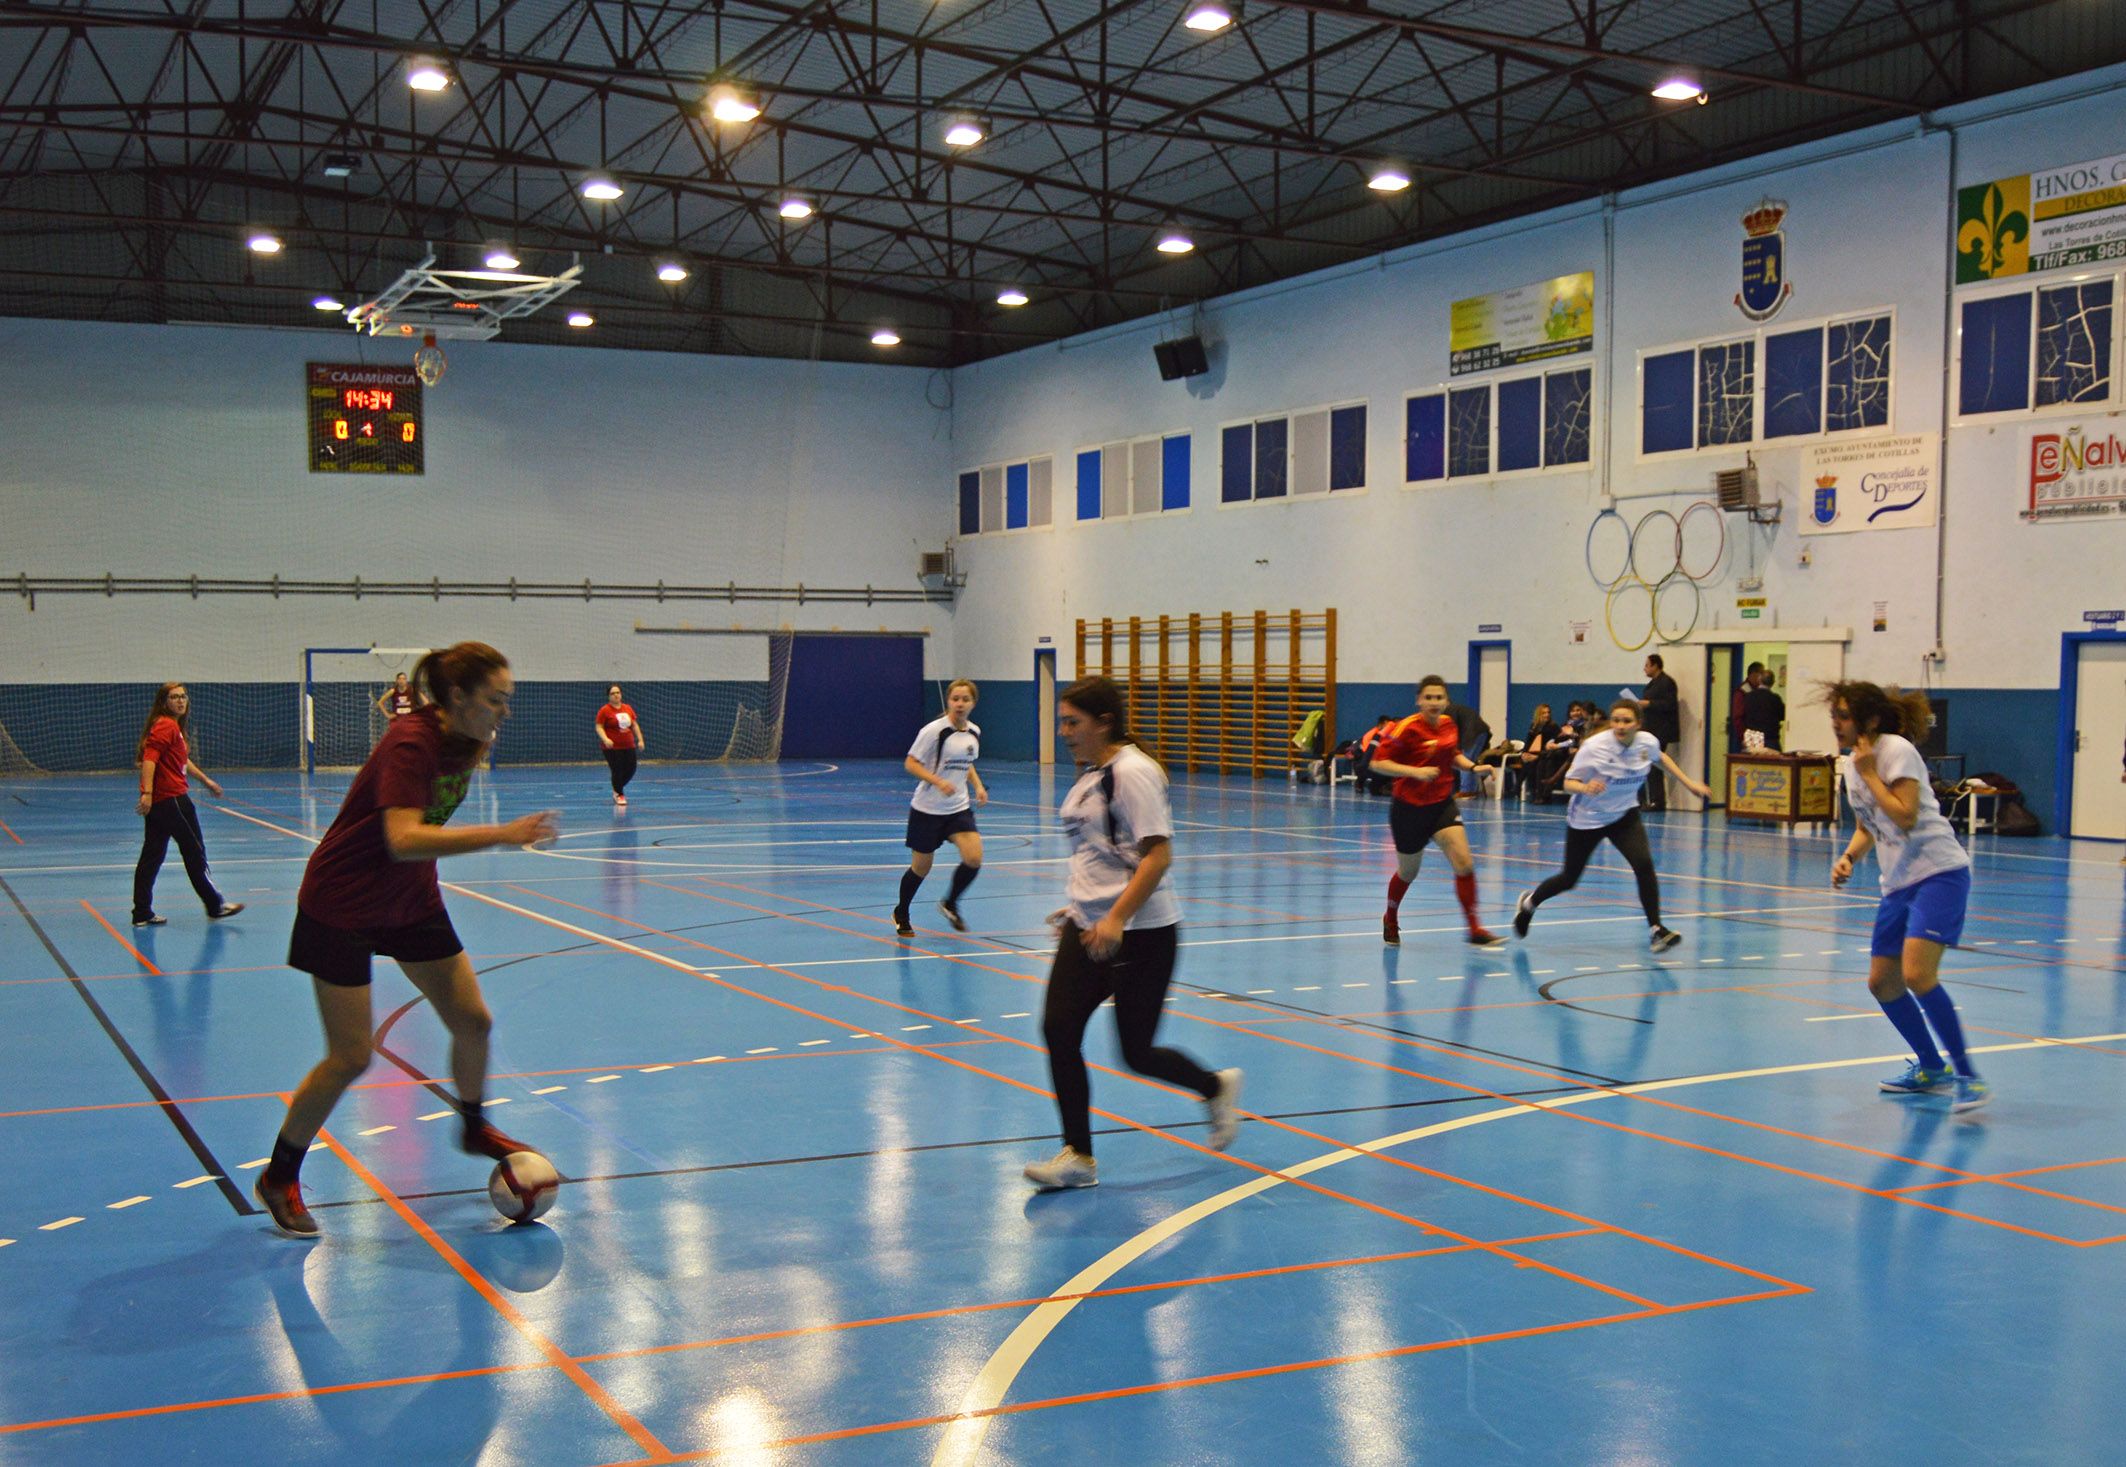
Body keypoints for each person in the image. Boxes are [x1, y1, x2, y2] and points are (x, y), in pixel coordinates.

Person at [252, 642, 561, 1238]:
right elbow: (402, 837)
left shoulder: (471, 741)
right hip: (342, 900)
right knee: (351, 1056)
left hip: (409, 900)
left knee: (474, 1021)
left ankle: (473, 1125)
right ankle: (278, 1174)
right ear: (457, 697)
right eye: (495, 700)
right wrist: (501, 834)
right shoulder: (409, 742)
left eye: (508, 700)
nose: (504, 711)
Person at [1023, 677, 1241, 1190]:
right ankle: (1078, 1156)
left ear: (1104, 722)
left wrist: (1116, 916)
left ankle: (1213, 1086)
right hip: (1089, 928)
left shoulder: (1133, 772)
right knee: (1058, 1029)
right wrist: (1081, 907)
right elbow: (1100, 855)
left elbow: (1157, 855)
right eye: (1062, 721)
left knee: (1136, 1052)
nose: (1065, 732)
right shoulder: (1090, 776)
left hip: (1142, 933)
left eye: (1073, 722)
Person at [1826, 680, 1987, 1112]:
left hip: (1940, 873)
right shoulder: (1849, 766)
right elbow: (1868, 825)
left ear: (1869, 720)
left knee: (1917, 974)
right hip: (1896, 883)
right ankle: (1932, 1068)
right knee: (1882, 982)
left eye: (1842, 715)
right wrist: (1848, 858)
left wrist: (1869, 774)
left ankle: (1969, 1077)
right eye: (1833, 716)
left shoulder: (1895, 751)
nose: (1835, 723)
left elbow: (1906, 814)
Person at [1513, 699, 1711, 953]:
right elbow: (1568, 783)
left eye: (1627, 721)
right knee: (1569, 879)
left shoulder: (1646, 742)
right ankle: (1530, 903)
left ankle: (1657, 930)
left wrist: (1689, 783)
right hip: (1588, 818)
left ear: (1638, 723)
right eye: (1616, 720)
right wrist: (1585, 787)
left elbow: (1660, 758)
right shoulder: (1595, 747)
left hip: (1623, 815)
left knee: (1644, 865)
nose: (1620, 725)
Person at [1367, 675, 1504, 948]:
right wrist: (1414, 772)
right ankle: (1390, 916)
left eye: (1439, 697)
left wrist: (1473, 768)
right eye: (1428, 697)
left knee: (1464, 863)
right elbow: (1378, 762)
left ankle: (1474, 928)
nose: (1433, 702)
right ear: (1419, 700)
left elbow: (1451, 754)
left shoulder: (1448, 725)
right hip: (1408, 809)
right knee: (1408, 872)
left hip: (1441, 804)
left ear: (1446, 701)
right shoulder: (1405, 727)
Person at [131, 683, 245, 928]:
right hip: (171, 800)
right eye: (174, 697)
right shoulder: (165, 725)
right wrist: (147, 793)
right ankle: (215, 905)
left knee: (152, 855)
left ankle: (141, 911)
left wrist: (205, 781)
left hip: (165, 801)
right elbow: (149, 760)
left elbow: (182, 760)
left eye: (183, 696)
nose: (181, 701)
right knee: (194, 851)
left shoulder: (173, 727)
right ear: (164, 702)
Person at [895, 679, 988, 935]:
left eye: (965, 699)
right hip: (927, 810)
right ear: (948, 701)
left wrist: (978, 786)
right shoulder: (934, 731)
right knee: (921, 868)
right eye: (955, 699)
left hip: (957, 808)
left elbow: (966, 762)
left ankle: (951, 903)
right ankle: (902, 911)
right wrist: (937, 781)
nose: (960, 704)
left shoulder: (974, 732)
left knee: (974, 858)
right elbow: (911, 763)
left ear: (973, 703)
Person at [1637, 653, 1681, 810]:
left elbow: (1669, 705)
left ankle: (1658, 800)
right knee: (1649, 765)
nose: (1645, 668)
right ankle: (1650, 798)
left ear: (1656, 665)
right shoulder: (1652, 684)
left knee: (1655, 765)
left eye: (1647, 665)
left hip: (1661, 730)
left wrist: (1649, 704)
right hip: (1651, 729)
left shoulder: (1667, 683)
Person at [594, 684, 646, 806]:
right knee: (617, 769)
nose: (616, 695)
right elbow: (599, 726)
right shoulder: (604, 710)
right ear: (608, 696)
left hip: (628, 744)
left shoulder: (627, 708)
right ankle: (619, 794)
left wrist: (640, 740)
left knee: (631, 769)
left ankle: (616, 787)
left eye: (618, 692)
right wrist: (605, 739)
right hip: (612, 747)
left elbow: (634, 725)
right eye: (613, 693)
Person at [1740, 662, 1785, 751]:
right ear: (1772, 683)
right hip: (1770, 738)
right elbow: (1782, 715)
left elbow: (1743, 715)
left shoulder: (1748, 697)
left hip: (1753, 738)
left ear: (1759, 680)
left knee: (1752, 764)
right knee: (1773, 764)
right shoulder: (1775, 699)